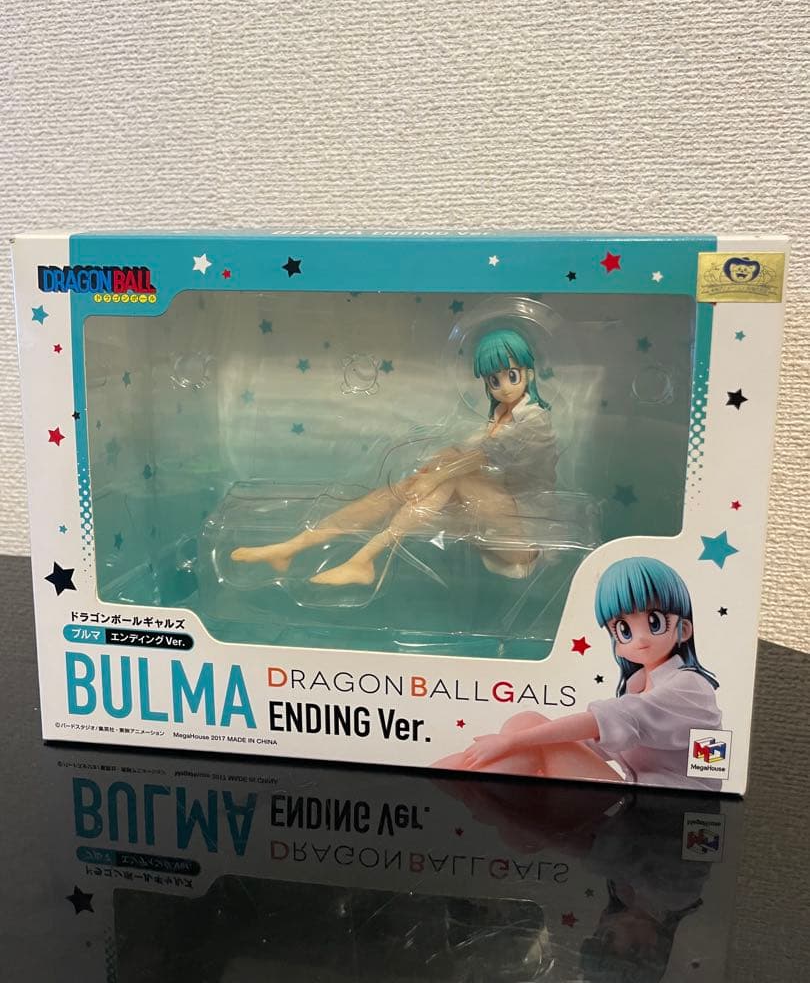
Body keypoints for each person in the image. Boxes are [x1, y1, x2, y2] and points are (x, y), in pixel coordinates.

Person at [230, 328, 557, 586]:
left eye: (512, 376)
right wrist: (428, 472)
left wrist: (437, 475)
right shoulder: (498, 416)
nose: (504, 387)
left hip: (526, 538)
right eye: (494, 380)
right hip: (491, 525)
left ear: (528, 373)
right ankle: (292, 547)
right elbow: (464, 453)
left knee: (449, 478)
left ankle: (364, 560)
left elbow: (485, 455)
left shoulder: (535, 419)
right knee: (400, 490)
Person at [435, 557, 722, 789]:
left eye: (654, 622)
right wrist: (525, 746)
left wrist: (512, 741)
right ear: (617, 643)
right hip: (638, 799)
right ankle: (451, 789)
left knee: (526, 729)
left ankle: (450, 793)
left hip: (671, 813)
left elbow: (604, 722)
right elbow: (601, 743)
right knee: (525, 736)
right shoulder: (639, 686)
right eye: (624, 630)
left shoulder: (689, 687)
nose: (641, 639)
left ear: (684, 629)